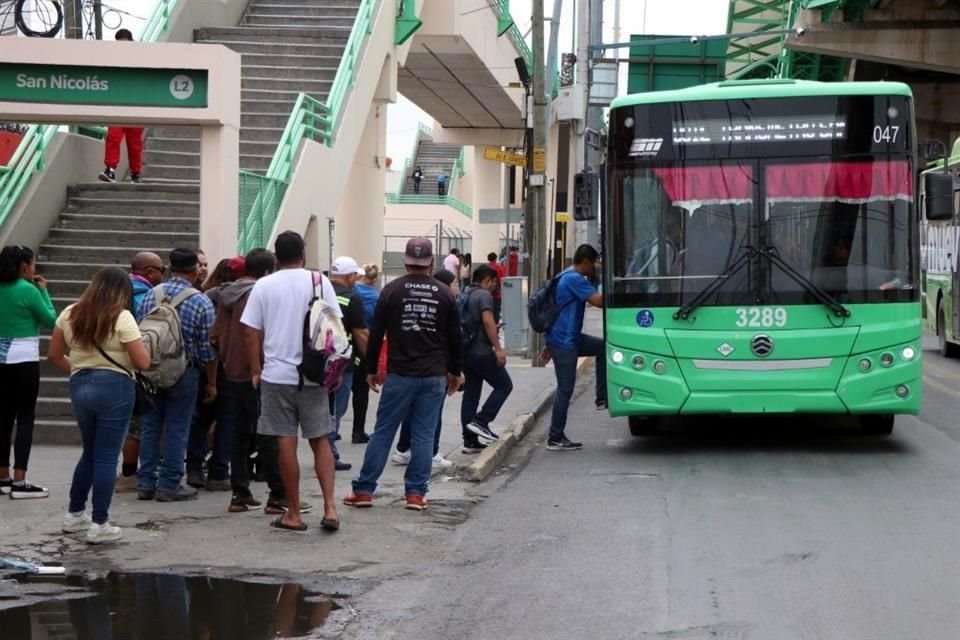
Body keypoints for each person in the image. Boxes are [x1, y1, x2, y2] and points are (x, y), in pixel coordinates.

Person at [344, 238, 464, 512]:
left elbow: (376, 335)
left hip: (399, 374)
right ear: (431, 262)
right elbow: (455, 338)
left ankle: (364, 490)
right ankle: (415, 494)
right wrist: (455, 371)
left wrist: (371, 368)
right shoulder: (444, 293)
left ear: (405, 261)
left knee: (384, 431)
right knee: (423, 434)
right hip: (433, 375)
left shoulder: (391, 291)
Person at [241, 231, 341, 532]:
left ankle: (294, 512)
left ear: (276, 256)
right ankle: (330, 508)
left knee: (286, 441)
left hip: (277, 375)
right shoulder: (319, 281)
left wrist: (255, 369)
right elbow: (334, 325)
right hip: (313, 374)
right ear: (304, 254)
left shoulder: (264, 285)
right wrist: (333, 369)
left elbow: (250, 331)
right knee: (320, 439)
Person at [47, 268, 150, 544]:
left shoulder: (70, 313)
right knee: (106, 456)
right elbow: (142, 362)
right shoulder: (122, 316)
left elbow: (54, 354)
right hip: (116, 388)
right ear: (122, 291)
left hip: (80, 385)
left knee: (90, 453)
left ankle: (74, 514)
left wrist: (79, 368)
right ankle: (100, 523)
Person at [136, 248, 217, 502]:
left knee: (150, 425)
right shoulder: (200, 301)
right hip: (185, 370)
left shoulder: (151, 295)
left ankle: (146, 481)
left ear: (169, 268)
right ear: (195, 271)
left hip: (151, 368)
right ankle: (170, 484)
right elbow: (207, 348)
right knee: (177, 427)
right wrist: (212, 382)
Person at [211, 249, 280, 513]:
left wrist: (227, 358)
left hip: (231, 371)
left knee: (238, 433)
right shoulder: (257, 294)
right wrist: (256, 367)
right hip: (255, 372)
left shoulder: (225, 294)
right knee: (268, 432)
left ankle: (239, 493)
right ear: (266, 271)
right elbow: (255, 334)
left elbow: (215, 335)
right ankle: (279, 493)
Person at [0, 245, 57, 499]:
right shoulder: (29, 290)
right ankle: (20, 481)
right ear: (25, 266)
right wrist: (44, 292)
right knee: (25, 419)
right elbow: (51, 321)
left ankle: (2, 477)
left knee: (2, 419)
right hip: (23, 360)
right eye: (33, 264)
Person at [391, 268, 458, 468]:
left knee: (411, 412)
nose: (456, 288)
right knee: (431, 414)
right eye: (454, 284)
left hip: (406, 368)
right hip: (433, 370)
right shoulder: (446, 305)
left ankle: (404, 449)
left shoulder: (412, 302)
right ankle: (431, 453)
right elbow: (452, 341)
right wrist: (455, 370)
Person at [544, 244, 607, 451]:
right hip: (565, 342)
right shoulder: (574, 279)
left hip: (565, 338)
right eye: (594, 264)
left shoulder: (565, 274)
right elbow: (598, 301)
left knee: (602, 347)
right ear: (587, 262)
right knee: (565, 389)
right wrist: (609, 284)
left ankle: (601, 397)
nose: (594, 268)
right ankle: (555, 437)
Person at [115, 251, 165, 493]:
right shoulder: (144, 296)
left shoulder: (115, 291)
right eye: (161, 269)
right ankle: (130, 475)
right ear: (149, 272)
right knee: (138, 424)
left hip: (114, 365)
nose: (162, 275)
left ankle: (126, 472)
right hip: (136, 365)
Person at [185, 257, 235, 491]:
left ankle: (194, 467)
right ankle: (219, 471)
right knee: (226, 420)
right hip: (229, 367)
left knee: (199, 419)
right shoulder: (243, 298)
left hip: (200, 365)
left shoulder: (205, 295)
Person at [460, 264, 513, 447]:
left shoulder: (466, 293)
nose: (494, 287)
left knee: (471, 395)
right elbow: (488, 321)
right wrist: (498, 349)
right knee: (504, 385)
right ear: (487, 280)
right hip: (482, 352)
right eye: (493, 283)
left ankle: (469, 441)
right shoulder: (484, 295)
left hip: (467, 352)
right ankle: (482, 420)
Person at [327, 256, 369, 472]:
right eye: (355, 275)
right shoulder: (353, 297)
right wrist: (372, 363)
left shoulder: (320, 291)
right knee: (337, 407)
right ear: (349, 275)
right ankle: (329, 453)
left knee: (324, 407)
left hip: (318, 358)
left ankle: (324, 448)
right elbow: (360, 334)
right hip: (343, 362)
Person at [98, 29, 144, 184]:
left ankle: (135, 173)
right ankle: (110, 170)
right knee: (113, 136)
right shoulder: (112, 58)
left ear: (131, 42)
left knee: (134, 142)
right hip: (117, 105)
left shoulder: (140, 58)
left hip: (136, 106)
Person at [351, 264, 380, 444]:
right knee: (361, 392)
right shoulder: (376, 298)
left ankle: (333, 430)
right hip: (365, 346)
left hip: (346, 345)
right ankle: (358, 430)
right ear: (374, 280)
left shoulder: (351, 293)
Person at [487, 252, 506, 323]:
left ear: (488, 259)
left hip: (486, 294)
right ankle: (495, 330)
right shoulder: (499, 268)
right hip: (497, 295)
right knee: (496, 313)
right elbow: (503, 280)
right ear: (496, 259)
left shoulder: (485, 268)